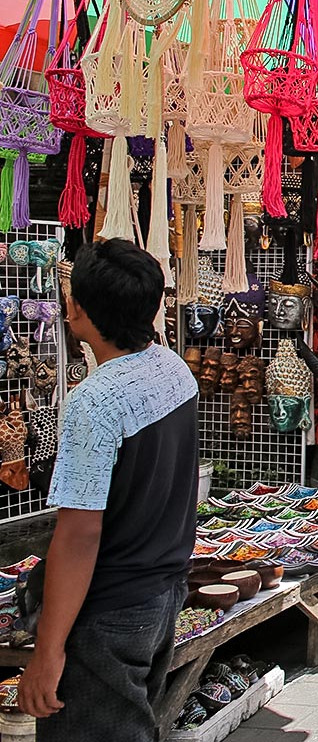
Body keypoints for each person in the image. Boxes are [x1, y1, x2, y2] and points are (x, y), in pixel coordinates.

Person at [21, 239, 200, 740]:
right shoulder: (172, 369)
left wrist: (48, 649)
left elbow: (79, 533)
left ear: (77, 307)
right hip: (162, 591)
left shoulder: (94, 401)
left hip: (111, 607)